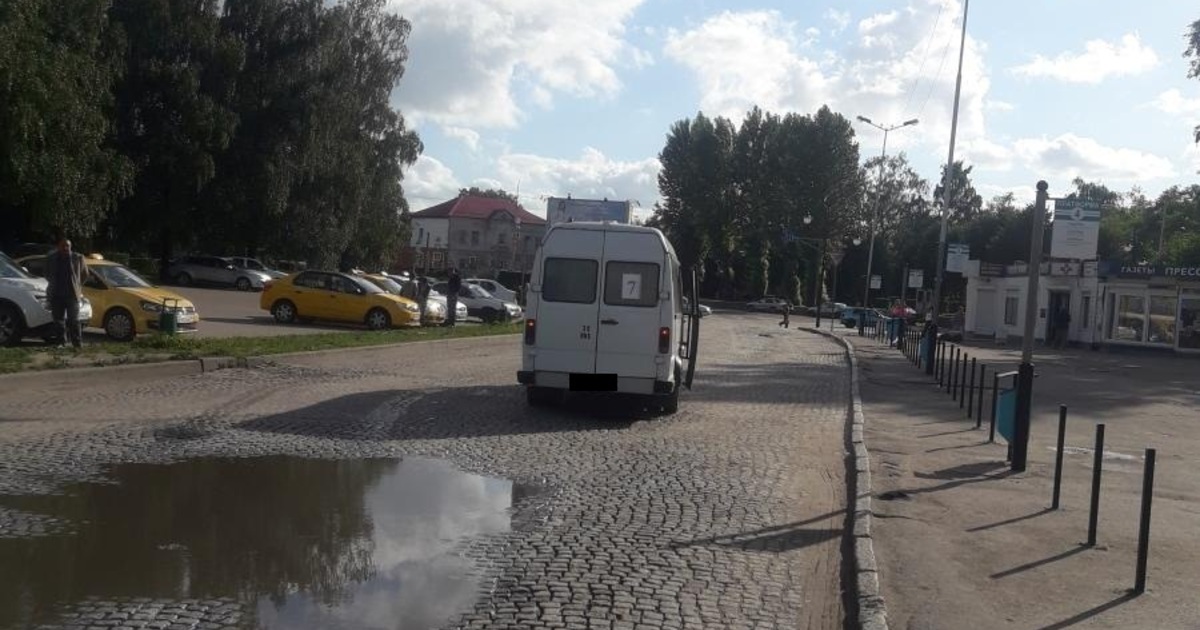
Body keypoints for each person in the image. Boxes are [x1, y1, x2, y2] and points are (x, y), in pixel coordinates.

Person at [45, 238, 88, 349]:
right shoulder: (52, 258)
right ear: (58, 247)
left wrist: (77, 285)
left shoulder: (77, 258)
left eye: (67, 246)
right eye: (63, 246)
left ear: (70, 247)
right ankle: (61, 342)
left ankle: (77, 344)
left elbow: (85, 274)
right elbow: (46, 273)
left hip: (72, 295)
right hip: (56, 295)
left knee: (74, 320)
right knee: (58, 320)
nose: (65, 248)